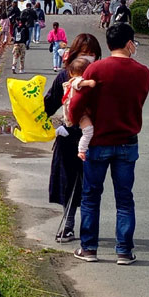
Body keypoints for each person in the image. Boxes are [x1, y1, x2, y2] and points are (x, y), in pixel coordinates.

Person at [69, 23, 149, 265]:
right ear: (130, 44)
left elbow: (77, 102)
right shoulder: (143, 72)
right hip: (127, 141)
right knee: (124, 199)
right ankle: (124, 250)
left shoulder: (96, 69)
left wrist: (76, 119)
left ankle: (89, 248)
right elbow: (140, 100)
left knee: (91, 196)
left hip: (98, 141)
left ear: (108, 44)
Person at [44, 33, 103, 243]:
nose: (88, 57)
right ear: (75, 54)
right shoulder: (64, 76)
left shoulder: (100, 79)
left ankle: (88, 230)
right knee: (67, 182)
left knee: (90, 186)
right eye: (84, 53)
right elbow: (50, 103)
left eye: (92, 54)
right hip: (68, 137)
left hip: (93, 138)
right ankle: (68, 224)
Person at [62, 59, 96, 161]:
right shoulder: (75, 81)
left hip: (76, 112)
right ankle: (82, 150)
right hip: (78, 113)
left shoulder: (70, 83)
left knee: (87, 130)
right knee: (88, 130)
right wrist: (89, 82)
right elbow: (78, 82)